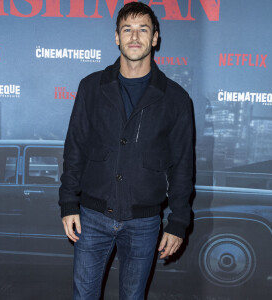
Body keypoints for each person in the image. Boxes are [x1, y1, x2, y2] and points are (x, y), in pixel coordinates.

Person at [59, 2, 194, 299]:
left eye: (143, 29)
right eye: (127, 29)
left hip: (144, 223)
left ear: (155, 38)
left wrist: (179, 221)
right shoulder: (92, 87)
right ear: (116, 38)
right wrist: (68, 202)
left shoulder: (176, 98)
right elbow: (75, 148)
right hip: (91, 217)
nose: (135, 36)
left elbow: (183, 166)